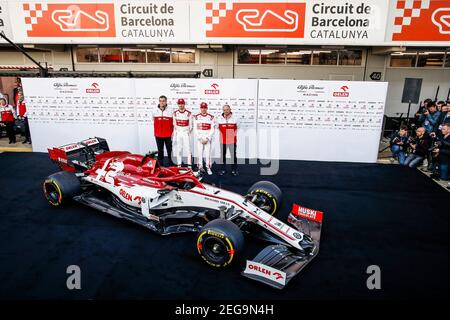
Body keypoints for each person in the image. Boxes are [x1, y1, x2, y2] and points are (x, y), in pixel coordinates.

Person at [217, 104, 239, 176]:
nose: (226, 111)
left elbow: (238, 127)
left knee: (233, 156)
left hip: (232, 139)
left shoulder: (235, 118)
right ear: (223, 111)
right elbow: (217, 128)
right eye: (224, 110)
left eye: (227, 109)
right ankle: (222, 170)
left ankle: (234, 170)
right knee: (222, 156)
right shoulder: (219, 118)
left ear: (230, 109)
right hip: (223, 140)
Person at [152, 95, 174, 166]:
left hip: (168, 134)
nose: (162, 102)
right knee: (160, 150)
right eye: (160, 101)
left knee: (169, 150)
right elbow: (153, 120)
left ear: (166, 101)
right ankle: (160, 164)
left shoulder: (171, 110)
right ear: (159, 101)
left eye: (163, 101)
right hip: (158, 134)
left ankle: (171, 163)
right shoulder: (154, 110)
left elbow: (173, 122)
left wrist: (172, 132)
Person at [194, 102, 214, 175]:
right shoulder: (196, 116)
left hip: (207, 139)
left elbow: (212, 129)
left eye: (205, 108)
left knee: (207, 154)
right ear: (200, 108)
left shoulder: (211, 117)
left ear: (207, 108)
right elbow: (195, 129)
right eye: (202, 108)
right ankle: (200, 167)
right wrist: (200, 138)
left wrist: (207, 138)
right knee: (199, 154)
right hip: (200, 139)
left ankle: (208, 168)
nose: (203, 109)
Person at [172, 98, 192, 167]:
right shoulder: (175, 113)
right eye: (179, 104)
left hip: (185, 133)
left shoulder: (188, 113)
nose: (181, 105)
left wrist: (187, 132)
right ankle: (179, 164)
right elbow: (174, 124)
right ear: (178, 104)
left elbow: (191, 125)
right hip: (179, 133)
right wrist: (177, 133)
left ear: (184, 104)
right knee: (179, 149)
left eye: (182, 104)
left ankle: (189, 164)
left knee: (188, 149)